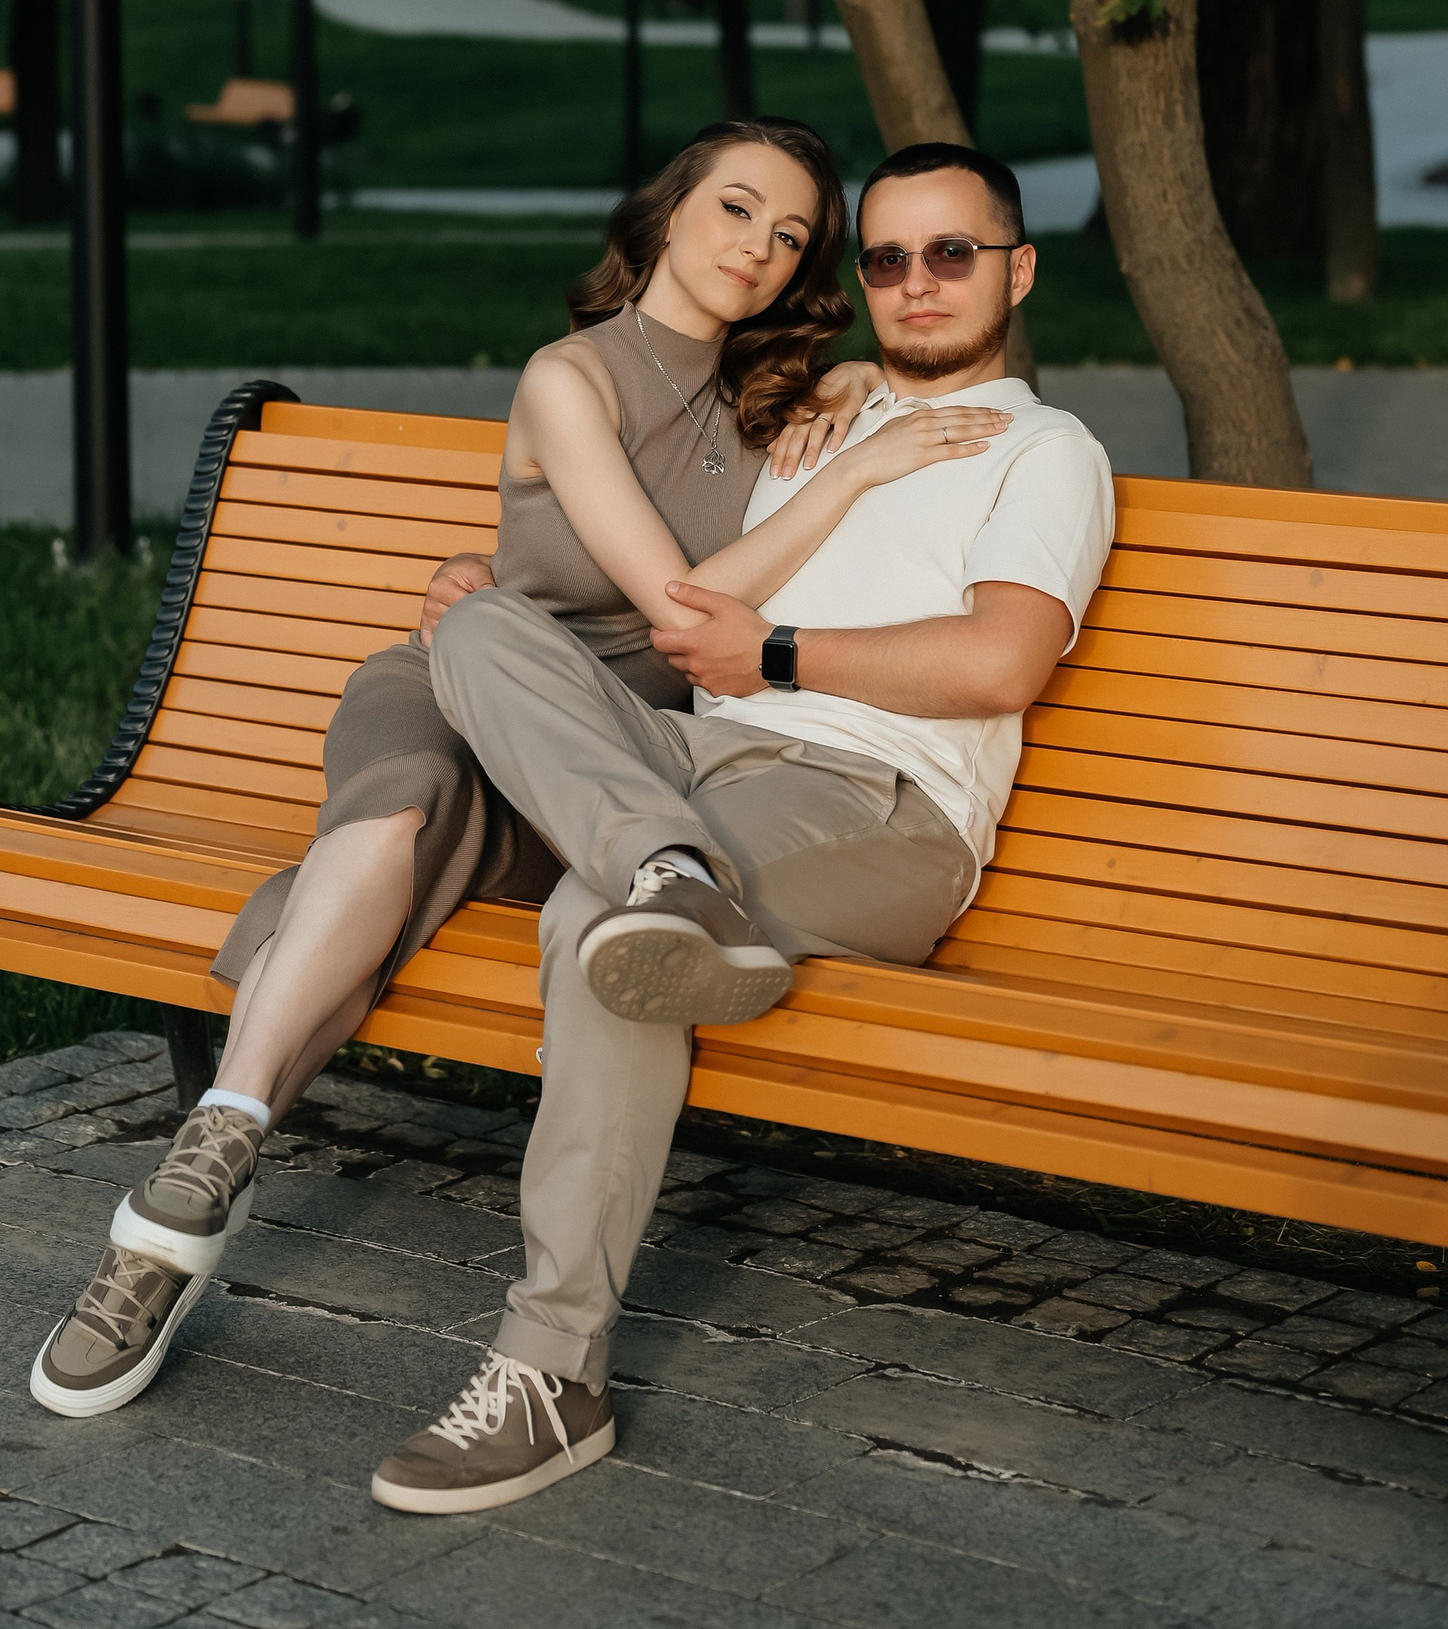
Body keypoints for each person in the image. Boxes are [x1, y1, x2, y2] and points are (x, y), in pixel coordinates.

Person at [32, 115, 960, 1417]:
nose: (759, 245)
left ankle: (174, 1222)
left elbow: (730, 597)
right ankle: (206, 1161)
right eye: (737, 207)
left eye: (792, 233)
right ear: (670, 210)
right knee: (399, 809)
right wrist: (844, 484)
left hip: (594, 764)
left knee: (385, 865)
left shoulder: (784, 400)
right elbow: (679, 607)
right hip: (469, 684)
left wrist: (850, 392)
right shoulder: (570, 375)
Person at [364, 140, 1115, 1514]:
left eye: (953, 253)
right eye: (885, 257)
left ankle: (552, 1374)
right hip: (700, 762)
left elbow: (999, 662)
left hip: (877, 801)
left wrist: (772, 654)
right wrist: (480, 567)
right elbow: (654, 589)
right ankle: (670, 865)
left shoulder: (1046, 451)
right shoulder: (814, 422)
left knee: (605, 918)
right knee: (479, 630)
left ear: (1018, 272)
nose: (918, 280)